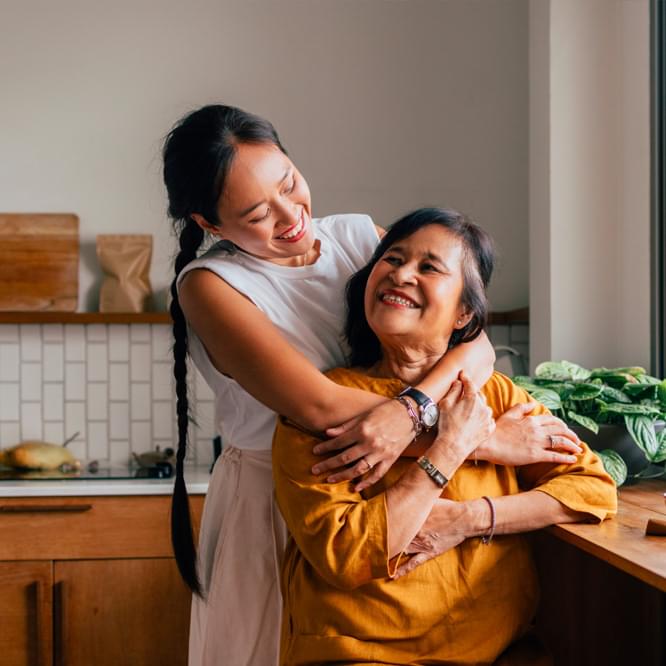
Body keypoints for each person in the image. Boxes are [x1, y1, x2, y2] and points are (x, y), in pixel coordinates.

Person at [163, 106, 583, 666]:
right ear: (209, 224)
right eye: (258, 213)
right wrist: (477, 441)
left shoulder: (360, 237)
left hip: (392, 491)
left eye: (290, 183)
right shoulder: (210, 286)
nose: (291, 215)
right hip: (285, 502)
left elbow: (474, 341)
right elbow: (318, 404)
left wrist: (411, 410)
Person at [273, 207, 617, 665]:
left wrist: (471, 519)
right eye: (392, 259)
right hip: (359, 655)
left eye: (429, 267)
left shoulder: (494, 393)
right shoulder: (321, 406)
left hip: (500, 653)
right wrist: (451, 447)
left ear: (463, 314)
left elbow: (592, 489)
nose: (401, 275)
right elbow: (345, 552)